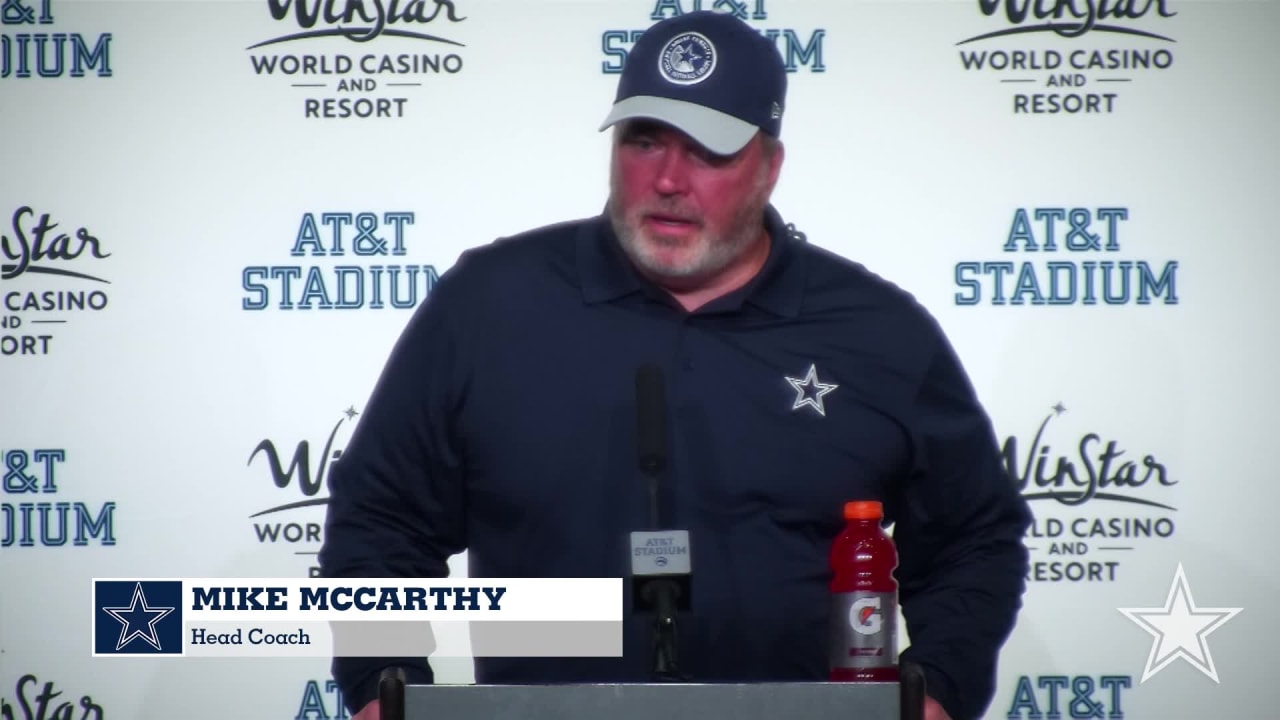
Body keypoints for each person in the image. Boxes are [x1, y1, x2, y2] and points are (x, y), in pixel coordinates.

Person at [318, 10, 1032, 720]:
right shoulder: (489, 305)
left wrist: (936, 689)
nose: (667, 178)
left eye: (708, 151)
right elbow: (380, 523)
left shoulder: (877, 331)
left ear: (770, 166)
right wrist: (384, 687)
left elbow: (976, 537)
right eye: (645, 140)